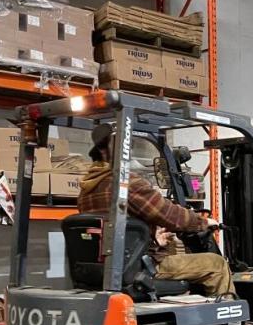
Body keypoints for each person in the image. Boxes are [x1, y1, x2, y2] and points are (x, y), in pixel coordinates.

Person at [77, 125, 235, 296]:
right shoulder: (124, 183)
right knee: (216, 265)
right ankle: (230, 321)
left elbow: (117, 228)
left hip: (106, 267)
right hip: (137, 267)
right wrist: (202, 222)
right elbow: (170, 215)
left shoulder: (87, 188)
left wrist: (151, 237)